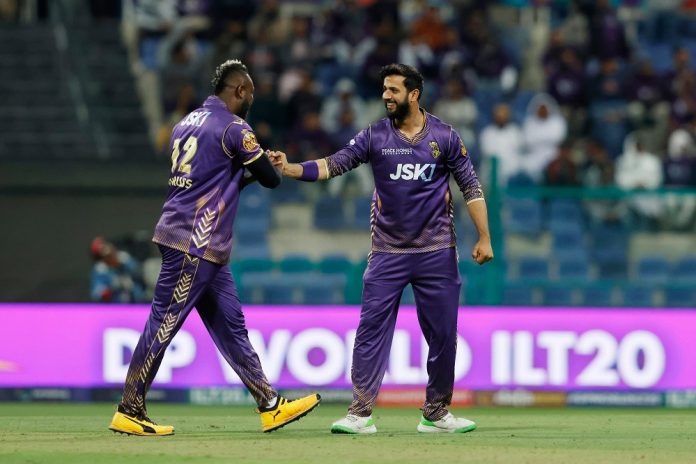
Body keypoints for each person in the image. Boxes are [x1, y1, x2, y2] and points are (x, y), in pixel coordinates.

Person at [270, 64, 494, 434]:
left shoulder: (445, 136)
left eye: (393, 90)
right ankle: (359, 414)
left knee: (443, 336)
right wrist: (291, 169)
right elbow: (335, 164)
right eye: (384, 89)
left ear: (414, 94)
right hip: (387, 252)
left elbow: (471, 186)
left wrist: (484, 237)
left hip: (437, 251)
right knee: (370, 332)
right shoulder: (375, 134)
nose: (386, 96)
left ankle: (436, 413)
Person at [108, 60, 320, 437]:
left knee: (231, 326)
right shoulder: (234, 127)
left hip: (199, 242)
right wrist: (264, 163)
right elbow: (270, 180)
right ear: (240, 91)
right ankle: (129, 407)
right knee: (164, 322)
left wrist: (245, 170)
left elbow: (215, 179)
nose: (250, 102)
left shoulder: (185, 123)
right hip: (195, 242)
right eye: (250, 95)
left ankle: (269, 404)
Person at [90, 236, 145, 303]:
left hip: (136, 301)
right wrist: (112, 287)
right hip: (115, 305)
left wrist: (124, 262)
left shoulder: (124, 259)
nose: (111, 256)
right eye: (107, 256)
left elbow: (140, 273)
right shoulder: (100, 270)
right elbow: (97, 294)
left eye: (111, 253)